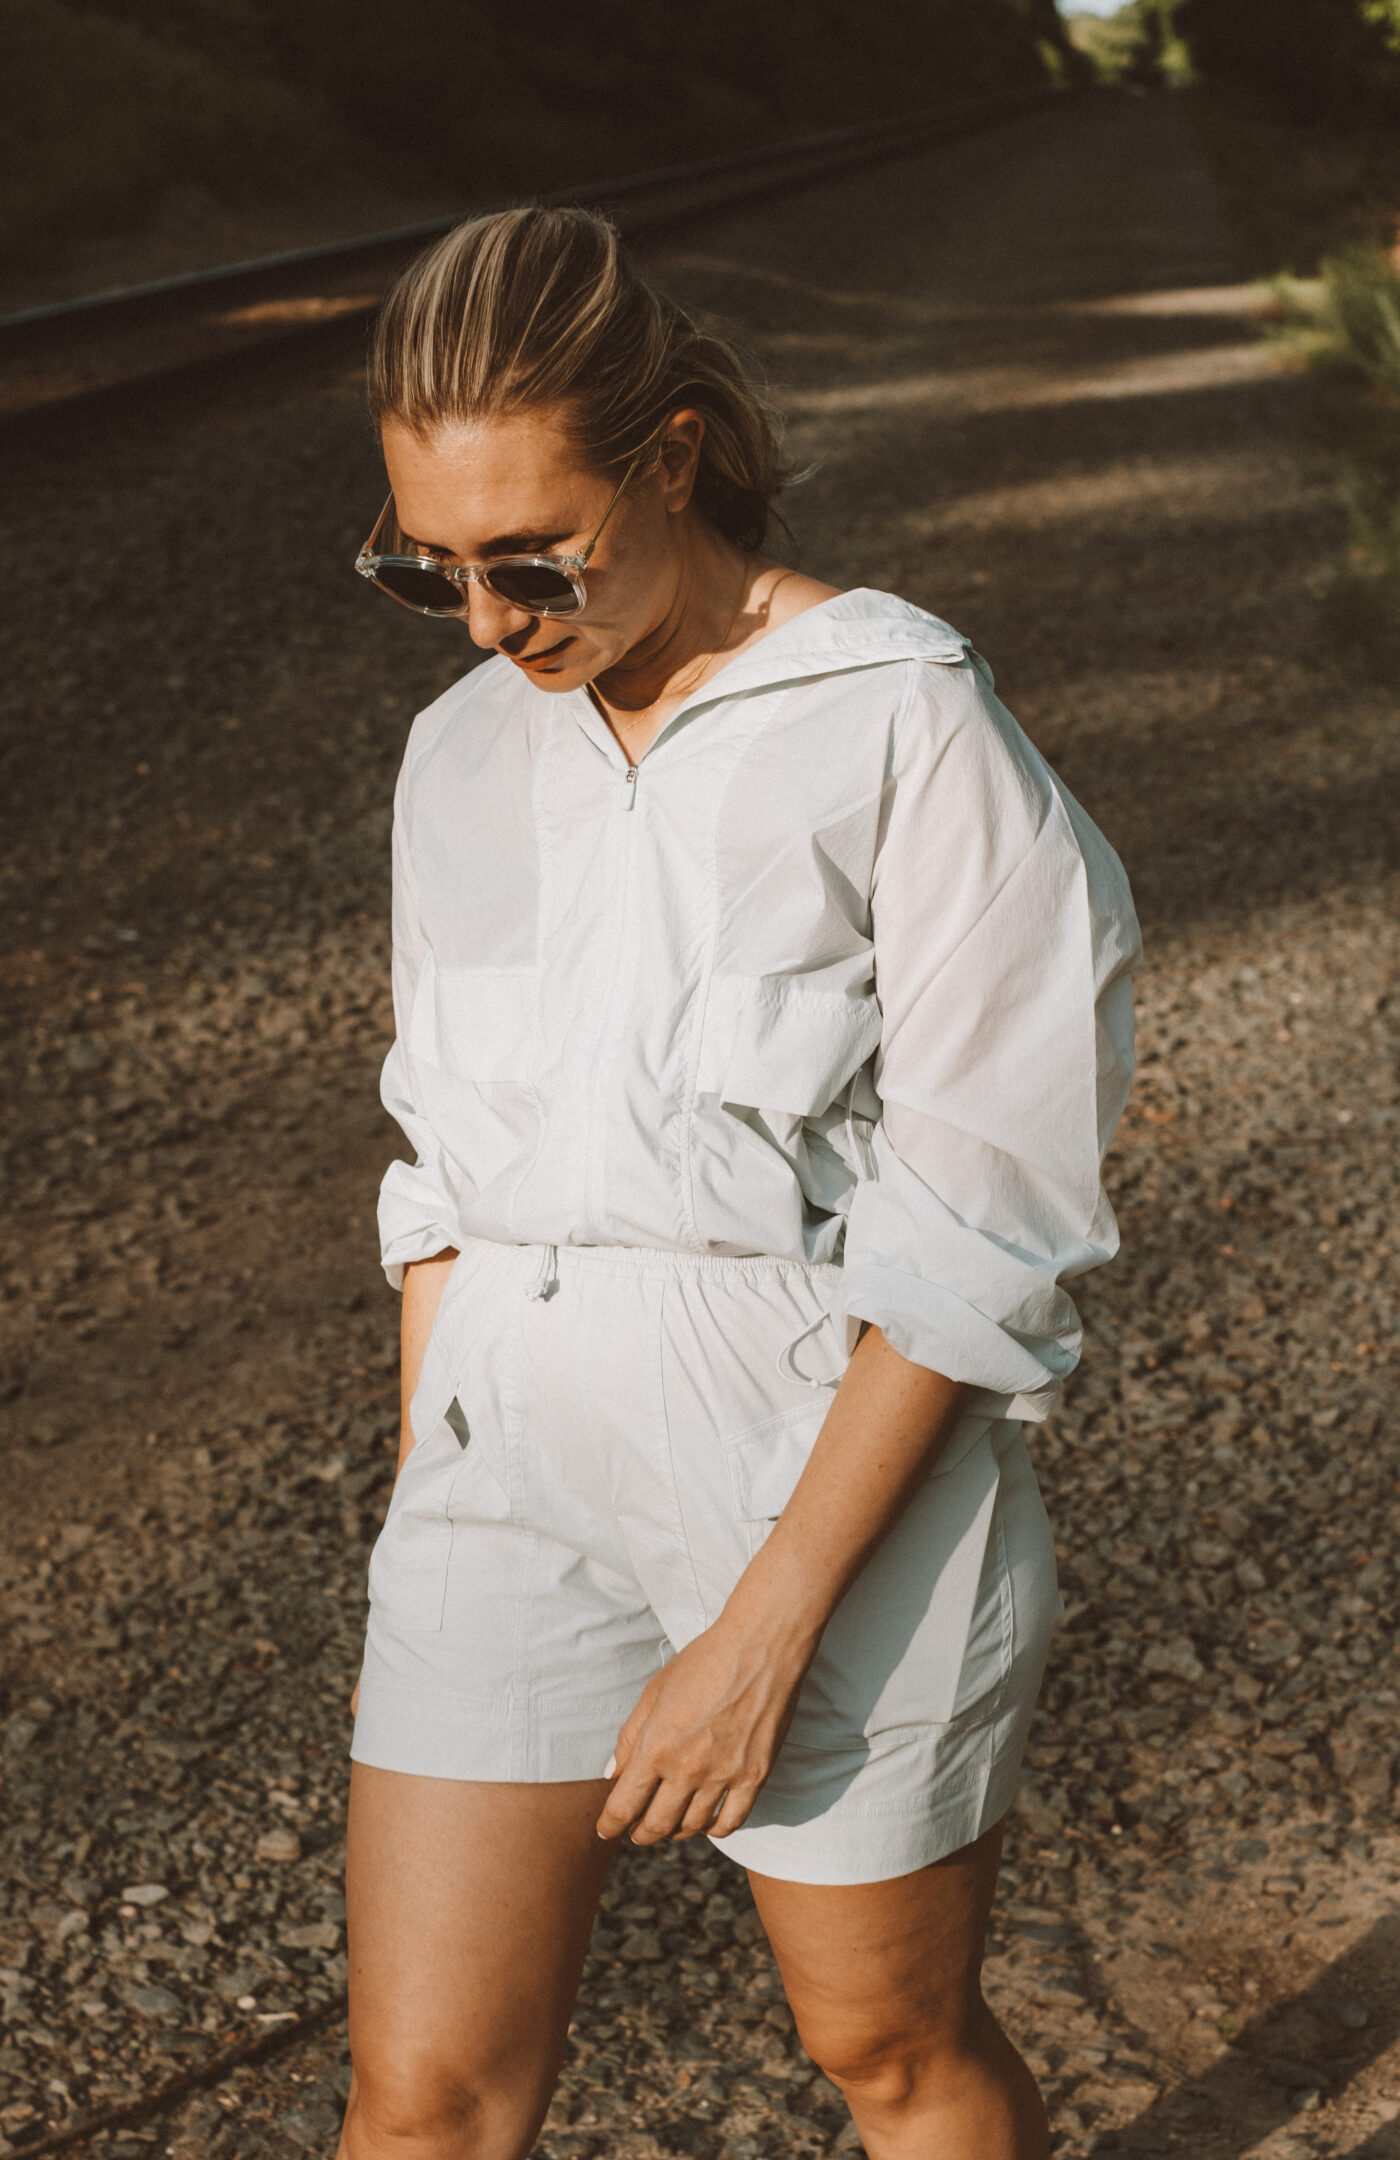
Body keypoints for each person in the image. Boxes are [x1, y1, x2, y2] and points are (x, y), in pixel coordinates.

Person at [340, 204, 1141, 2160]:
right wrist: (438, 1479)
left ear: (672, 458)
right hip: (499, 1469)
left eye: (535, 557)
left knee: (884, 2052)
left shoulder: (904, 725)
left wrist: (763, 1627)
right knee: (421, 2095)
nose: (488, 618)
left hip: (818, 1477)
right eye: (424, 568)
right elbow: (438, 1167)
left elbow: (985, 1222)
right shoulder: (461, 753)